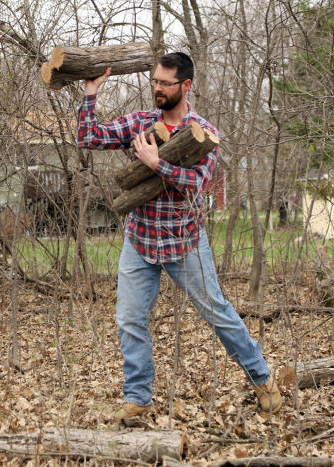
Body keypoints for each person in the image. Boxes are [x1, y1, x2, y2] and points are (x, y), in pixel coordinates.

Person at [77, 52, 281, 423]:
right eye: (154, 81)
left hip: (183, 241)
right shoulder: (141, 123)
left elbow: (198, 185)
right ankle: (138, 397)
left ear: (185, 86)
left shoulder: (203, 132)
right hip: (140, 240)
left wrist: (157, 164)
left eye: (165, 83)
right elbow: (88, 136)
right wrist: (90, 93)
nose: (157, 88)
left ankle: (262, 378)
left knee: (217, 312)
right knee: (129, 318)